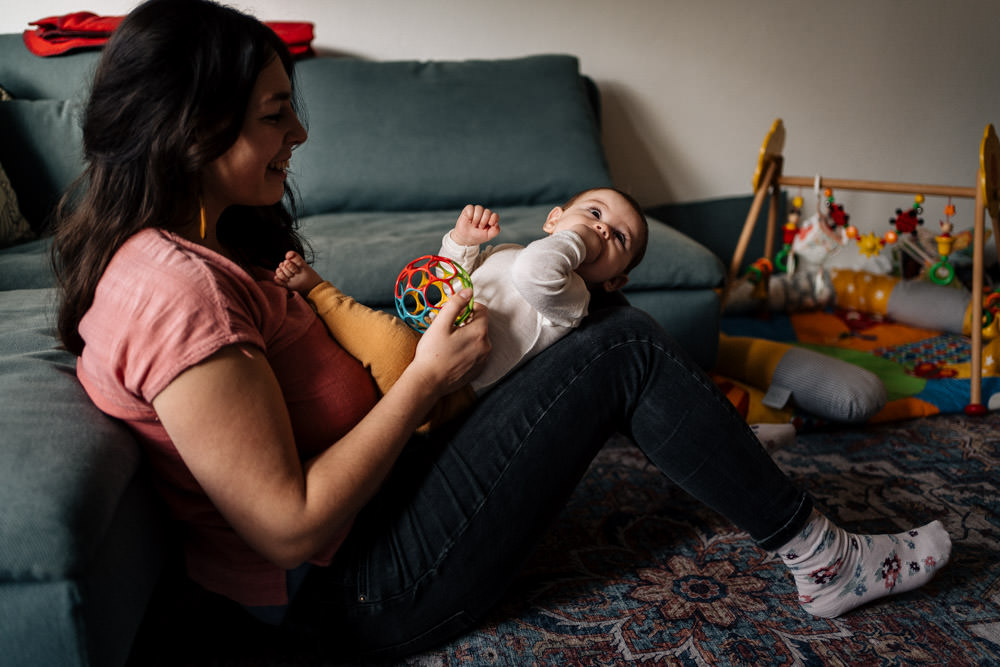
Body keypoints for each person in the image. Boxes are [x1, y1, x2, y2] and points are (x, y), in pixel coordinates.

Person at [52, 0, 951, 660]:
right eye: (275, 113)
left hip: (375, 514)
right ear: (193, 130)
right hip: (353, 590)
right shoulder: (180, 292)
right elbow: (286, 527)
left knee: (608, 331)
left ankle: (790, 519)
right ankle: (823, 557)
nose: (302, 131)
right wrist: (423, 379)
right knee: (623, 344)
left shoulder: (189, 250)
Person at [273, 186, 648, 401]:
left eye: (618, 237)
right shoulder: (508, 252)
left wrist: (579, 234)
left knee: (384, 339)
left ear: (615, 282)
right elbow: (447, 282)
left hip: (450, 387)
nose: (601, 230)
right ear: (552, 219)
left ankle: (319, 292)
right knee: (352, 348)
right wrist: (462, 243)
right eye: (595, 213)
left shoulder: (573, 299)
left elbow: (538, 271)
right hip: (423, 342)